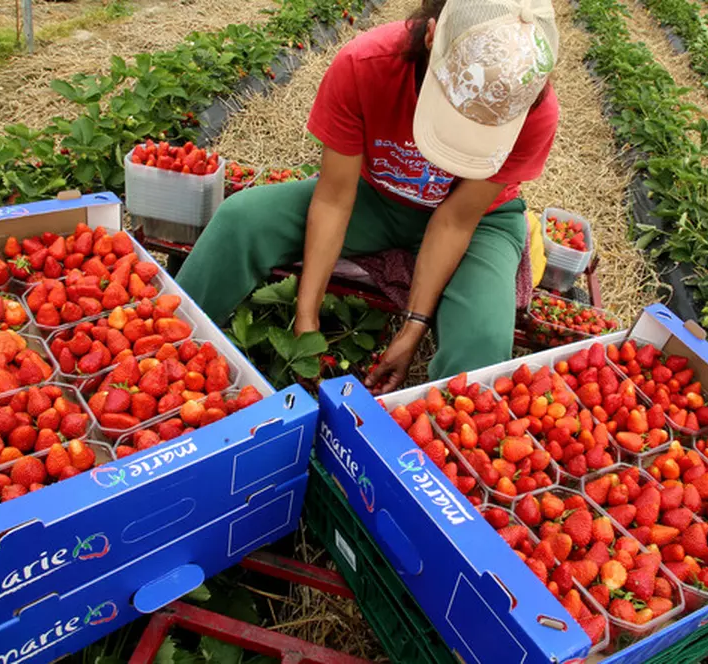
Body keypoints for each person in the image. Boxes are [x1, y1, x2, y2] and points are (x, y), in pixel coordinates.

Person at [176, 0, 560, 393]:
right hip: (377, 195)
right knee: (241, 219)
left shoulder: (537, 111)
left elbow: (455, 219)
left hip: (478, 222)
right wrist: (306, 318)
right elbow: (333, 198)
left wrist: (414, 326)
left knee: (482, 339)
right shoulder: (367, 65)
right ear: (430, 36)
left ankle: (436, 443)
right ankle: (175, 349)